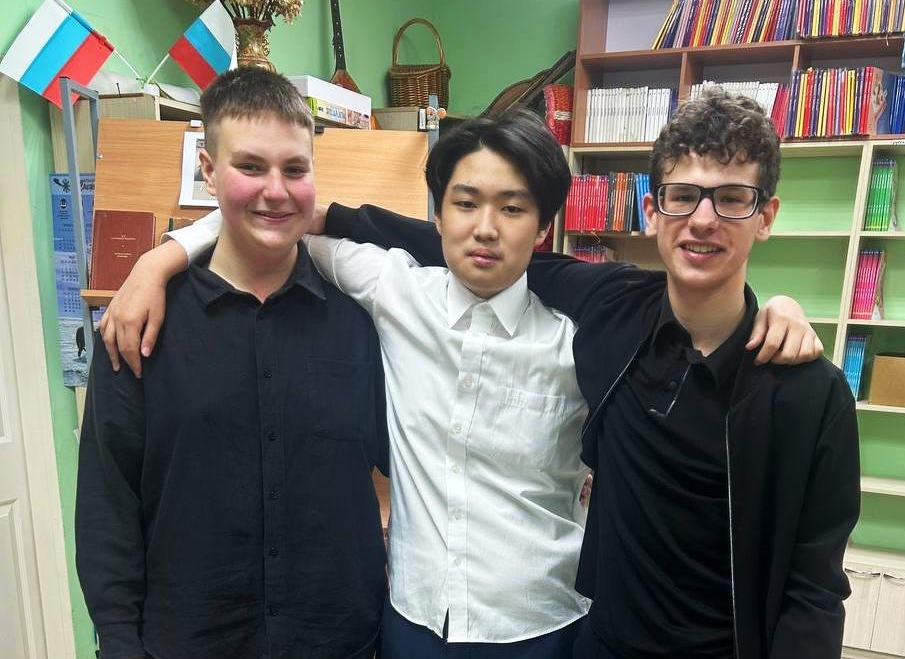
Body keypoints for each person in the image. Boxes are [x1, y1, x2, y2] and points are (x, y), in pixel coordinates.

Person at [100, 102, 824, 658]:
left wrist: (778, 307)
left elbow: (694, 308)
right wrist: (162, 256)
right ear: (438, 212)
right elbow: (280, 217)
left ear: (542, 226)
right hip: (411, 620)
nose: (486, 228)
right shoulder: (392, 288)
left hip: (541, 627)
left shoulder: (584, 330)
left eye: (513, 208)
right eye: (466, 203)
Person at [75, 66, 389, 659]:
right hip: (188, 642)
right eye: (250, 166)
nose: (276, 190)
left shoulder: (360, 324)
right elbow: (107, 504)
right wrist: (117, 641)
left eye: (294, 169)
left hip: (340, 641)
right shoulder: (140, 327)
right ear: (208, 170)